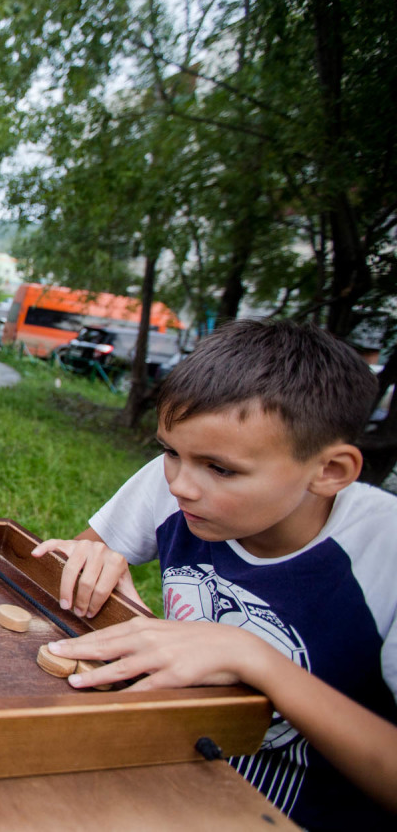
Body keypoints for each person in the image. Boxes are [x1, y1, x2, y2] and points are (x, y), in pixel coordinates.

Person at [31, 319, 397, 828]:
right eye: (169, 452)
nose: (181, 486)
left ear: (330, 471)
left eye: (221, 469)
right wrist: (96, 572)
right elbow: (71, 569)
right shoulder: (180, 477)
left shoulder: (386, 552)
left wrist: (251, 657)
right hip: (159, 774)